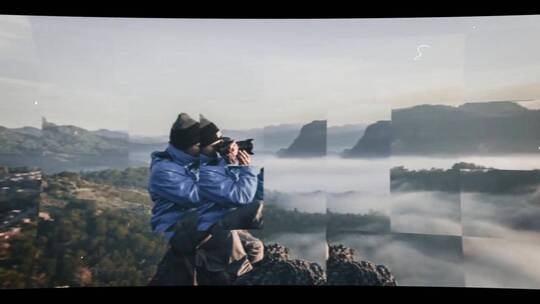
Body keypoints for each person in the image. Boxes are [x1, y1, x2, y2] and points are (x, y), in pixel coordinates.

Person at [195, 115, 264, 285]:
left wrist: (232, 163)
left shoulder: (214, 161)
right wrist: (244, 169)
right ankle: (233, 276)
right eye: (216, 144)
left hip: (216, 219)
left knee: (256, 247)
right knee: (239, 267)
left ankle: (217, 266)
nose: (221, 147)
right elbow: (240, 197)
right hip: (204, 224)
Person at [147, 113, 204, 286]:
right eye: (200, 144)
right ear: (187, 145)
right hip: (177, 228)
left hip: (197, 222)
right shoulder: (164, 170)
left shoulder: (193, 161)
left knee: (254, 247)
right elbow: (198, 198)